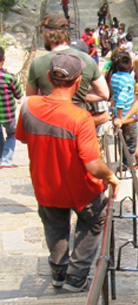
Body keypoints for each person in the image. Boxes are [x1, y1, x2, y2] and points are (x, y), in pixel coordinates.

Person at [16, 53, 119, 292]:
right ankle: (77, 276)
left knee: (55, 227)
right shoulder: (80, 118)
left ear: (50, 78)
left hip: (45, 186)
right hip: (80, 189)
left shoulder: (28, 107)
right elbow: (93, 165)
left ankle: (59, 273)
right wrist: (110, 176)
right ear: (77, 82)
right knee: (95, 221)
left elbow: (22, 138)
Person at [26, 14, 109, 108]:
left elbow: (30, 98)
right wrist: (80, 97)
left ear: (46, 34)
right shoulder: (87, 60)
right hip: (78, 118)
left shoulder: (37, 63)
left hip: (49, 118)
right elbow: (104, 94)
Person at [111, 52, 137, 167]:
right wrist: (121, 118)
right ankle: (128, 162)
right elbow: (122, 100)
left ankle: (124, 161)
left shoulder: (114, 77)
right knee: (131, 140)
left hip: (116, 113)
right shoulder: (128, 80)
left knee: (122, 140)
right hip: (126, 115)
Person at [0, 46, 23, 168]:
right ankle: (6, 160)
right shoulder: (10, 78)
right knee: (11, 134)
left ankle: (1, 158)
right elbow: (19, 95)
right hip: (7, 113)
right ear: (3, 58)